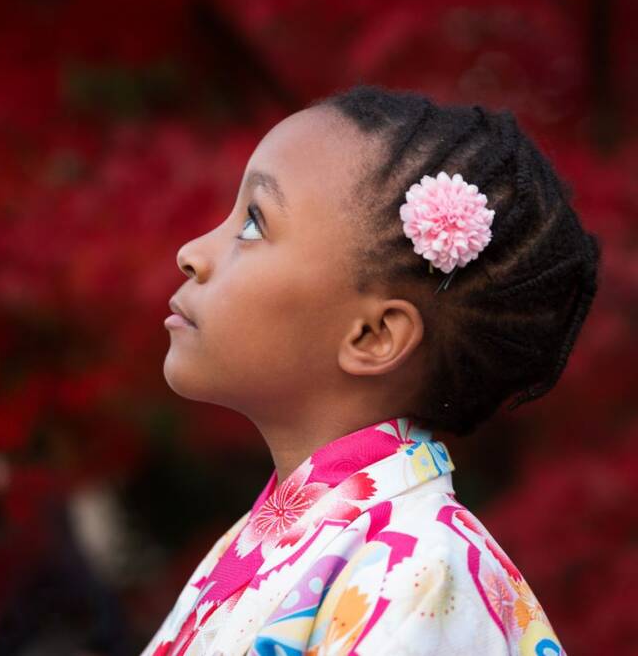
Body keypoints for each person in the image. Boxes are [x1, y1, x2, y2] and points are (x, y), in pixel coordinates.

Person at [147, 84, 599, 655]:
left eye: (254, 224)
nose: (192, 251)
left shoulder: (422, 571)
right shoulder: (282, 537)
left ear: (374, 336)